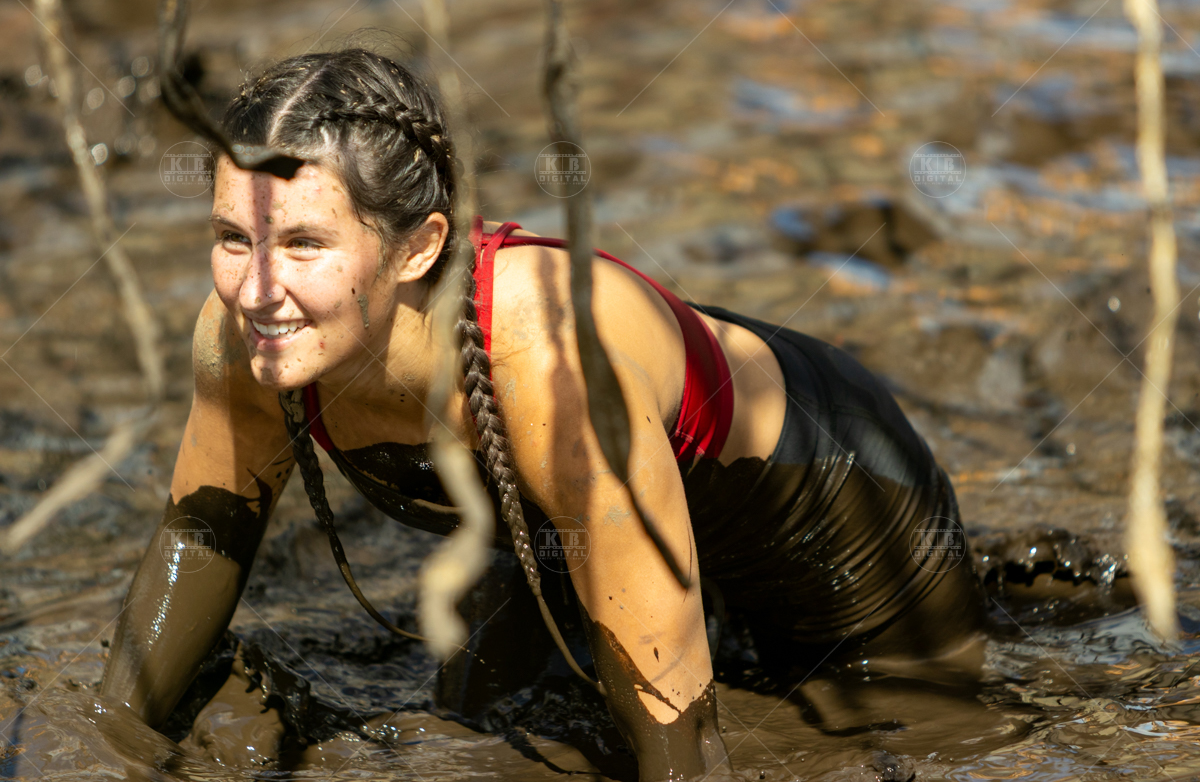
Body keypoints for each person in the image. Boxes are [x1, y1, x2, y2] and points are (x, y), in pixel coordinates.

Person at [99, 48, 986, 782]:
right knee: (482, 743)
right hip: (561, 526)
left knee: (895, 750)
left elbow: (682, 736)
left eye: (303, 243)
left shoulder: (549, 358)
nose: (256, 288)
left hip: (840, 501)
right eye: (231, 237)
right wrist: (110, 747)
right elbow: (199, 539)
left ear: (419, 247)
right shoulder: (247, 340)